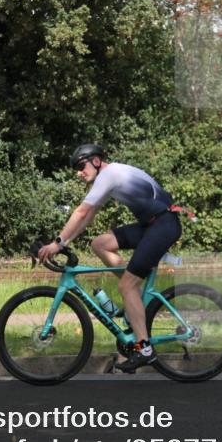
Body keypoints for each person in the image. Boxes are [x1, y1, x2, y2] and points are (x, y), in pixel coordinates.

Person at [37, 144, 183, 372]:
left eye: (81, 166)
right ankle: (134, 296)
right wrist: (64, 242)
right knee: (100, 244)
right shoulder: (108, 178)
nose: (79, 173)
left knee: (126, 286)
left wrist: (56, 243)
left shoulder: (110, 174)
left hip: (163, 225)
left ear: (96, 161)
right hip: (154, 224)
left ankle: (144, 349)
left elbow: (81, 211)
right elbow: (88, 216)